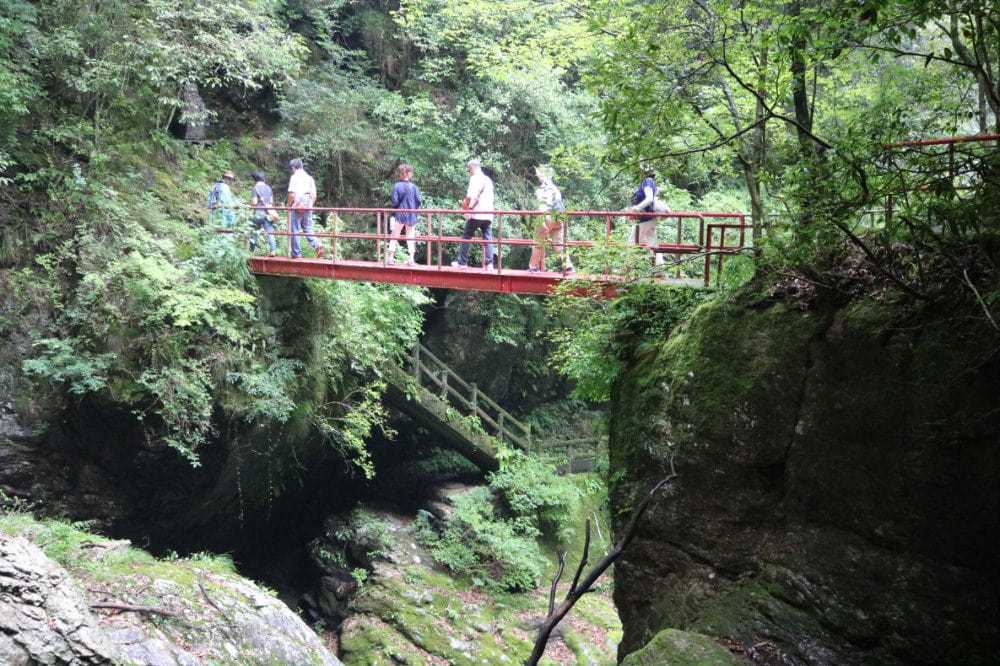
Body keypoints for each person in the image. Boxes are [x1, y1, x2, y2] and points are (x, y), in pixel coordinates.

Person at [528, 164, 574, 274]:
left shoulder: (543, 188)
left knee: (538, 242)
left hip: (549, 216)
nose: (537, 175)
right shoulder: (555, 188)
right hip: (560, 217)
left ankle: (533, 267)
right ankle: (568, 267)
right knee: (558, 243)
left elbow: (543, 205)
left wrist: (542, 221)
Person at [451, 159, 495, 270]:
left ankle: (462, 262)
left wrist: (468, 210)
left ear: (472, 168)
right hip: (488, 214)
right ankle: (489, 264)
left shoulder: (475, 179)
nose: (470, 171)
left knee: (466, 236)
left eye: (469, 169)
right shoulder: (488, 180)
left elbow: (472, 196)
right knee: (487, 238)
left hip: (477, 213)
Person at [286, 158, 323, 259]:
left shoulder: (294, 177)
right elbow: (314, 196)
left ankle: (296, 254)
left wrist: (288, 206)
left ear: (293, 168)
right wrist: (308, 207)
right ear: (302, 166)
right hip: (308, 207)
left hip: (296, 208)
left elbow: (292, 195)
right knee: (307, 228)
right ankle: (317, 244)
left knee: (294, 230)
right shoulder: (310, 178)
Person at [387, 163, 422, 266]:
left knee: (394, 235)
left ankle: (391, 258)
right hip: (411, 214)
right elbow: (418, 201)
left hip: (400, 214)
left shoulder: (396, 186)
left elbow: (394, 202)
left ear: (400, 174)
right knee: (410, 236)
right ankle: (411, 259)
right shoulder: (414, 187)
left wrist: (397, 209)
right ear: (409, 174)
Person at [629, 165, 664, 266]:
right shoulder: (651, 182)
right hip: (651, 218)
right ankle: (659, 266)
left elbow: (649, 199)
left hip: (644, 218)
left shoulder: (647, 181)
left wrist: (637, 208)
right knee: (652, 243)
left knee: (633, 241)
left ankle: (628, 267)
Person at [249, 171, 278, 257]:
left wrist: (250, 205)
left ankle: (251, 251)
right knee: (270, 231)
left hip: (258, 213)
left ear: (255, 180)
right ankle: (273, 251)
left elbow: (254, 202)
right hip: (268, 213)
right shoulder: (269, 188)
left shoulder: (255, 188)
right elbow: (271, 201)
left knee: (253, 231)